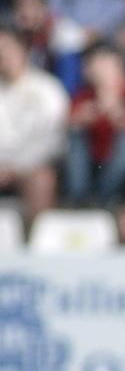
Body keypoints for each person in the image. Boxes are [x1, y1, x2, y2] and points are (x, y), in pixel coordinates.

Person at [64, 44, 125, 206]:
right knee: (75, 135)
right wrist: (81, 119)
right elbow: (67, 123)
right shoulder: (83, 96)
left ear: (119, 65)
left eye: (104, 64)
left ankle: (103, 198)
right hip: (92, 161)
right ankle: (79, 198)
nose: (97, 71)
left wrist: (119, 116)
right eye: (91, 65)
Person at [0, 26, 69, 224]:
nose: (2, 54)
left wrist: (15, 168)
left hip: (30, 167)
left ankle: (35, 244)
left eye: (7, 47)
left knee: (41, 180)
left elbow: (52, 140)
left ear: (24, 50)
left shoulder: (48, 88)